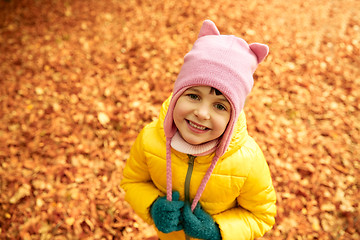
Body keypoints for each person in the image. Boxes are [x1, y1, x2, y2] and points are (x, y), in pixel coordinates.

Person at [120, 19, 276, 240]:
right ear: (176, 97)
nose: (202, 113)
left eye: (220, 106)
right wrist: (153, 206)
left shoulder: (247, 162)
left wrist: (218, 233)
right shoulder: (149, 139)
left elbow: (261, 216)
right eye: (193, 96)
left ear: (232, 117)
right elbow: (132, 182)